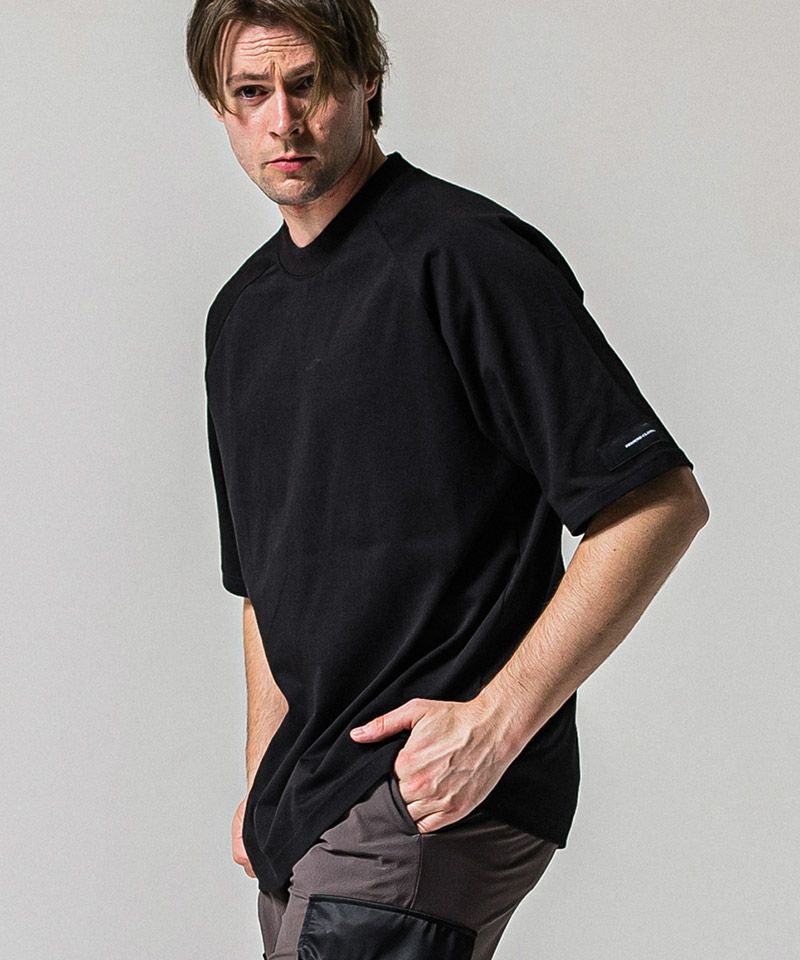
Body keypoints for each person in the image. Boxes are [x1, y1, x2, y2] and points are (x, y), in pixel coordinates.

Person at [186, 2, 709, 957]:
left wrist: (497, 725)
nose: (282, 122)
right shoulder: (239, 319)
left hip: (425, 793)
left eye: (307, 84)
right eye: (251, 93)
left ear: (366, 79)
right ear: (220, 109)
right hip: (306, 803)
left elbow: (654, 502)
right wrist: (265, 772)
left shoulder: (464, 256)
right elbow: (262, 583)